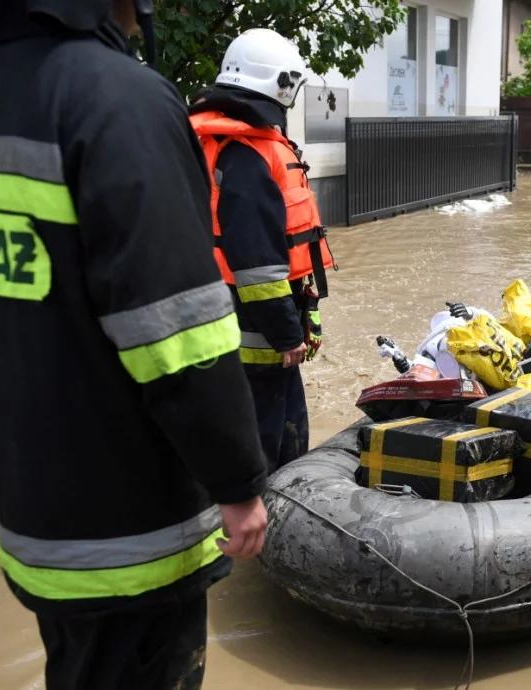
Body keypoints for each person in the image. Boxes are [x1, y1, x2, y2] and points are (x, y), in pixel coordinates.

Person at [0, 0, 269, 687]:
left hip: (30, 511)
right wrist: (238, 484)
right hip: (131, 524)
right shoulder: (122, 98)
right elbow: (181, 338)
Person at [190, 29, 335, 474]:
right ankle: (266, 530)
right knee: (271, 447)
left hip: (221, 316)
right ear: (282, 84)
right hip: (256, 331)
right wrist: (287, 334)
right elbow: (257, 264)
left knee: (251, 434)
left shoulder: (211, 141)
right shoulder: (247, 153)